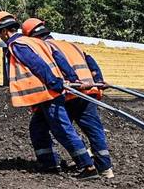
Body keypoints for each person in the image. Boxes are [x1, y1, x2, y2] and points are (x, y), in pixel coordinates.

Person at [0, 11, 99, 180]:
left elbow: (37, 65)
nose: (2, 38)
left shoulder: (17, 45)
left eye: (0, 35)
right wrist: (71, 78)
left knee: (62, 129)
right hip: (46, 94)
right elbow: (59, 57)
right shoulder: (34, 42)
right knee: (38, 129)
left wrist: (54, 82)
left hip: (48, 93)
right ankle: (49, 163)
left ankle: (87, 165)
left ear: (4, 32)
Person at [21, 18, 114, 179]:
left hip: (69, 94)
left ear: (31, 37)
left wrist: (72, 81)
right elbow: (91, 61)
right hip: (88, 91)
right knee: (94, 130)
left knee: (42, 126)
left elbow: (58, 64)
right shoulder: (71, 45)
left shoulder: (45, 48)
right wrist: (98, 81)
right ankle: (105, 168)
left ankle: (52, 163)